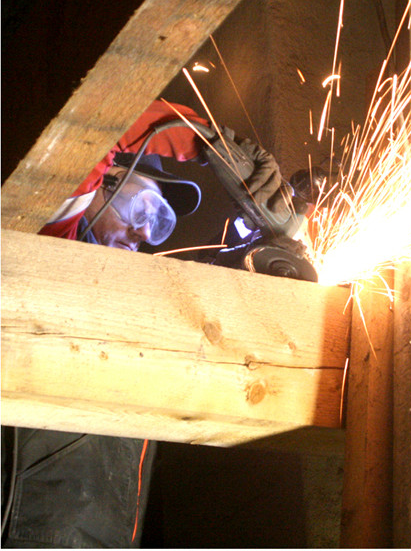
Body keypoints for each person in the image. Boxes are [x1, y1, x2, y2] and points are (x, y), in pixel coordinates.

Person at [2, 100, 284, 547]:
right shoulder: (50, 235)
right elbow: (100, 118)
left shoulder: (135, 319)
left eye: (158, 225)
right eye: (144, 211)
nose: (142, 235)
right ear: (107, 182)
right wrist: (207, 140)